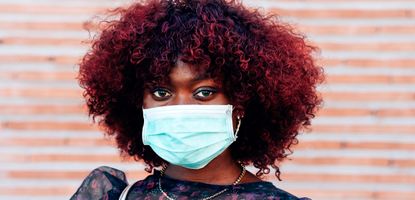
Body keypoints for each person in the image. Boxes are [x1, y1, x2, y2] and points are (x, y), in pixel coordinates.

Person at [70, 0, 324, 199]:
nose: (181, 108)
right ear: (139, 104)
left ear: (241, 105)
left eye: (204, 92)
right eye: (161, 93)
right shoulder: (110, 194)